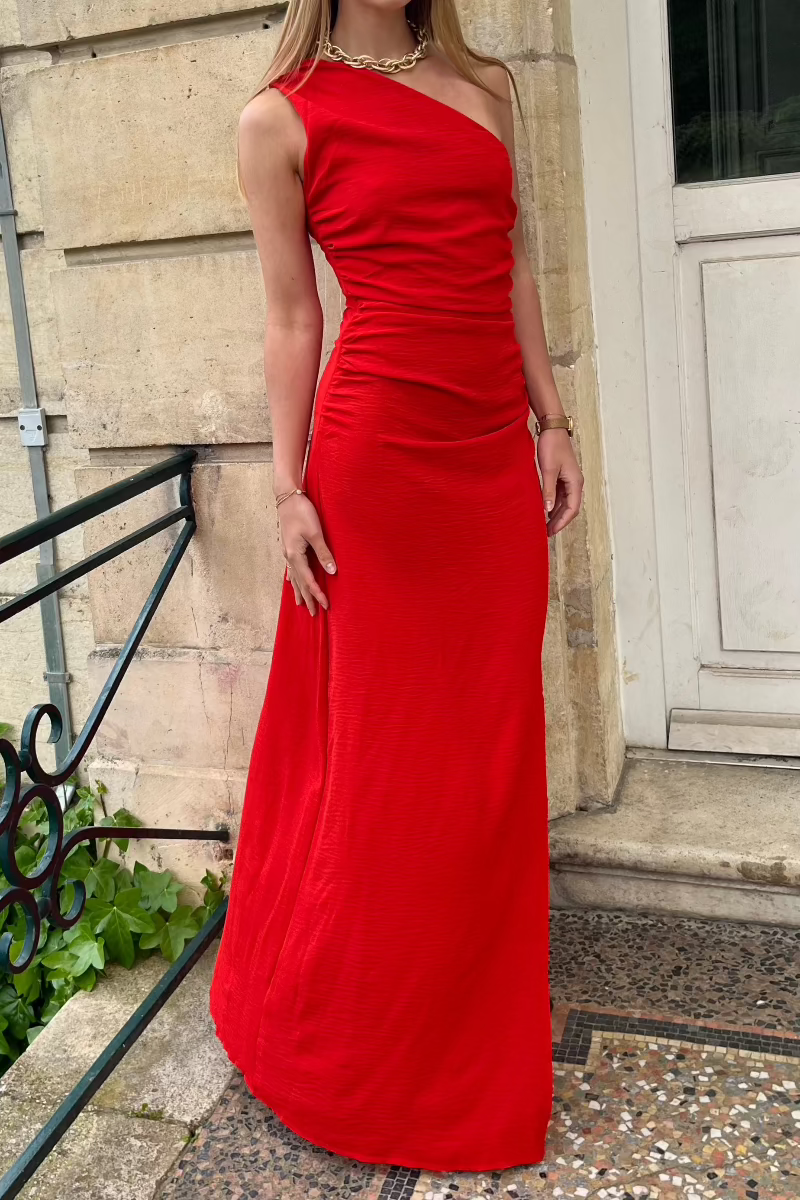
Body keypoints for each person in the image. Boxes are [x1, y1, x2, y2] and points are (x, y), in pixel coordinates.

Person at [210, 0, 584, 1173]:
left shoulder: (487, 86)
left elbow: (508, 266)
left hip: (486, 467)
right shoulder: (280, 118)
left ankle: (469, 1025)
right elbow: (290, 317)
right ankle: (367, 1049)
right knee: (386, 762)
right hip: (376, 470)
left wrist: (551, 421)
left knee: (486, 755)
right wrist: (287, 489)